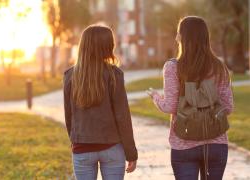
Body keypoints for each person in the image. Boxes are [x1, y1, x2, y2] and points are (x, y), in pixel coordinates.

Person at [147, 16, 233, 180]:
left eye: (178, 33)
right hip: (216, 144)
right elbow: (228, 107)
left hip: (184, 144)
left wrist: (156, 97)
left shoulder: (173, 67)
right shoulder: (219, 67)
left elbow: (170, 107)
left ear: (183, 37)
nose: (176, 37)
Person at [63, 25, 138, 180]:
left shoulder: (70, 75)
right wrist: (131, 152)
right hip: (112, 148)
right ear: (107, 47)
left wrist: (76, 140)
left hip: (82, 148)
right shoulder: (114, 75)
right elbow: (122, 116)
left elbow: (68, 116)